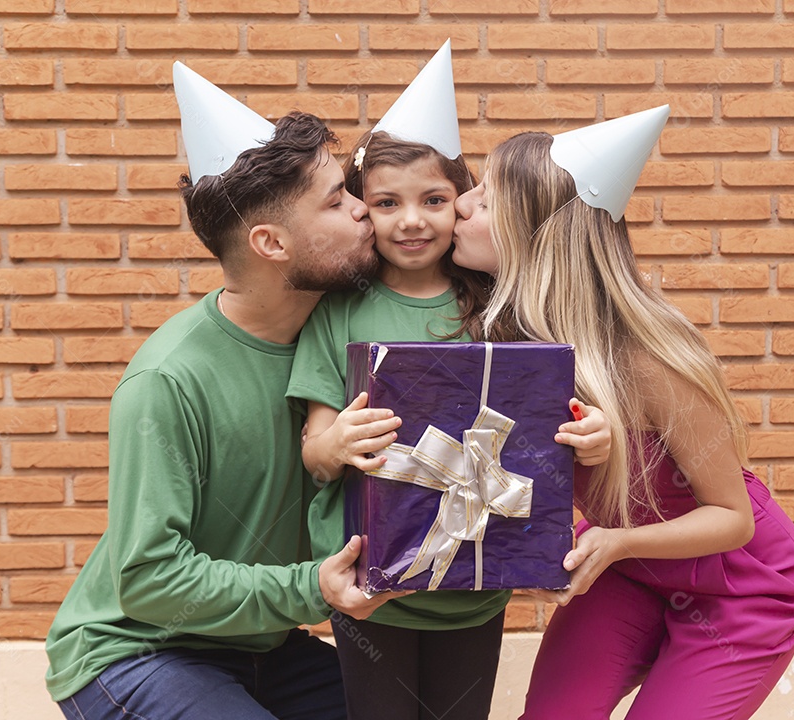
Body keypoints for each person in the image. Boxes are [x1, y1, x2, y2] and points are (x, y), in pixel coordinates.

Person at [44, 64, 406, 720]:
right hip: (135, 650)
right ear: (269, 242)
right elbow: (151, 580)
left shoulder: (342, 347)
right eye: (334, 201)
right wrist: (310, 588)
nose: (363, 209)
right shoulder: (168, 380)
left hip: (263, 648)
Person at [451, 106, 794, 720]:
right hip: (630, 566)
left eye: (484, 200)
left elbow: (733, 518)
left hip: (740, 587)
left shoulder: (648, 360)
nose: (461, 205)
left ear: (533, 234)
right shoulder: (507, 342)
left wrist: (615, 543)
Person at [285, 42, 611, 720]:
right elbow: (314, 451)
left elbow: (552, 427)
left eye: (433, 199)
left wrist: (593, 436)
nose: (411, 220)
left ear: (461, 201)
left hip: (476, 583)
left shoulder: (501, 308)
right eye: (387, 202)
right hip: (373, 584)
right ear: (361, 208)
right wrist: (337, 441)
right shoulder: (337, 311)